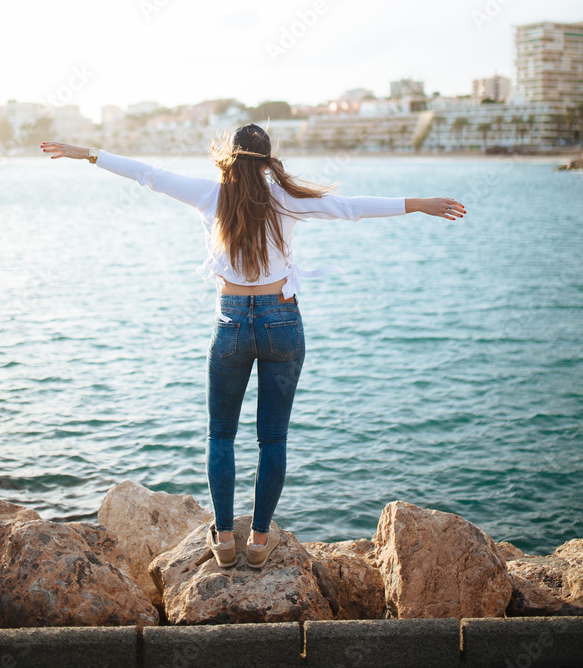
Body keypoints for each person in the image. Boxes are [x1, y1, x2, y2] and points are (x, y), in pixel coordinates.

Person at [40, 124, 465, 570]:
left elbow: (147, 174)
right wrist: (420, 204)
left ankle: (224, 539)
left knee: (220, 435)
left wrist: (88, 153)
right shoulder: (285, 199)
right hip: (281, 319)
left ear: (229, 157)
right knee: (273, 438)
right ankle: (260, 540)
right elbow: (350, 208)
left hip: (231, 322)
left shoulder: (209, 195)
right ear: (266, 161)